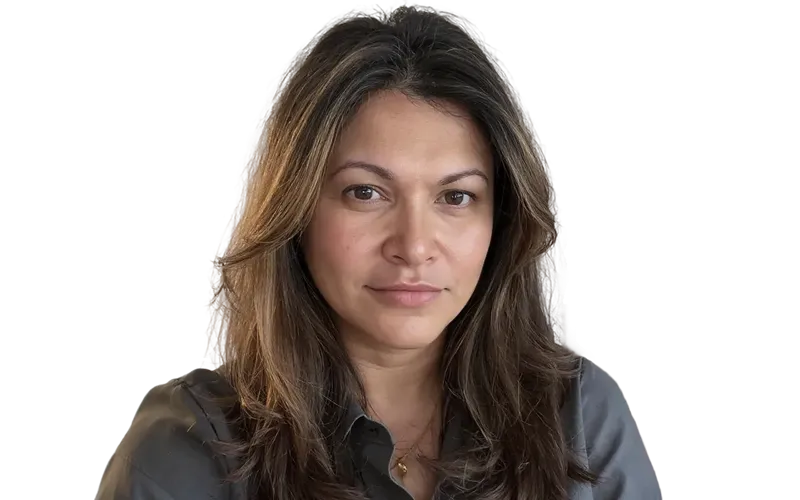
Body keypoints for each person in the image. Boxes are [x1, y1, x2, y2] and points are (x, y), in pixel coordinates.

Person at [97, 4, 661, 500]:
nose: (414, 246)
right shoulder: (190, 447)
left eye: (456, 196)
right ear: (295, 210)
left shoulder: (580, 419)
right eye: (365, 192)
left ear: (504, 220)